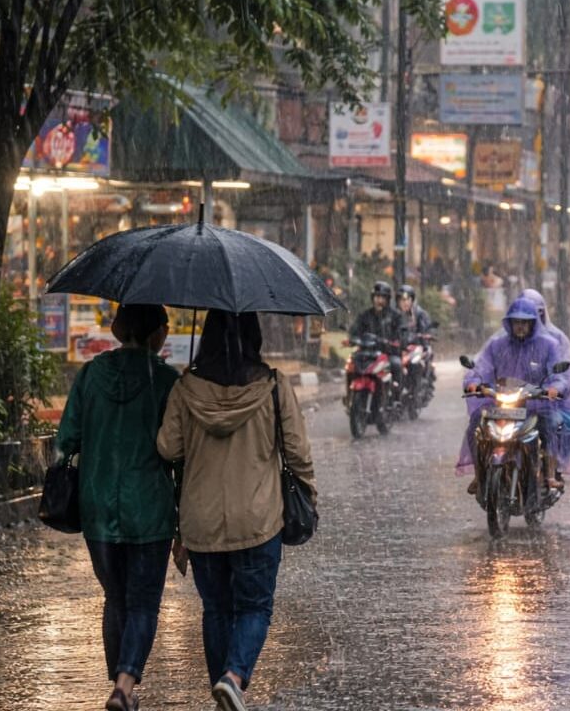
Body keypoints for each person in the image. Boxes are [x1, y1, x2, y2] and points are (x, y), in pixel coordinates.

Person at [156, 312, 316, 711]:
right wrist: (309, 495)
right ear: (255, 337)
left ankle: (224, 692)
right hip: (259, 520)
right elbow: (297, 451)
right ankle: (233, 677)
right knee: (255, 607)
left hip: (202, 520)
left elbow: (167, 447)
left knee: (216, 610)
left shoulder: (185, 387)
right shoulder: (274, 387)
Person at [56, 304, 179, 711]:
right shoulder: (166, 381)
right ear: (158, 334)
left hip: (97, 506)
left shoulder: (91, 374)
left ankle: (120, 684)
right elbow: (178, 451)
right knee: (143, 601)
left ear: (116, 328)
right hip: (150, 510)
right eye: (165, 326)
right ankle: (125, 686)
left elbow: (68, 438)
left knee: (116, 598)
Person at [459, 297, 570, 493]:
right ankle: (479, 474)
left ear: (533, 323)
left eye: (524, 322)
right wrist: (473, 383)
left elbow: (558, 375)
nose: (520, 327)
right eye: (516, 322)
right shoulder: (496, 345)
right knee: (476, 424)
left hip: (536, 404)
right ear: (509, 323)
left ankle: (550, 474)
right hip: (501, 404)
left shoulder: (549, 345)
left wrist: (555, 388)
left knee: (552, 423)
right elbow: (480, 368)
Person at [519, 289, 570, 479]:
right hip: (514, 400)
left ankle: (550, 470)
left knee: (560, 425)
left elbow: (565, 372)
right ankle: (482, 474)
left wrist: (557, 388)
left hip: (546, 400)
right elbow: (487, 365)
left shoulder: (556, 339)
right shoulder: (505, 341)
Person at [348, 281, 404, 389]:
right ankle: (350, 394)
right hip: (367, 353)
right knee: (351, 364)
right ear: (372, 298)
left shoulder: (395, 316)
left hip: (387, 353)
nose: (379, 301)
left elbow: (401, 333)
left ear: (388, 300)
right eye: (377, 297)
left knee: (396, 364)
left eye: (383, 298)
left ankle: (394, 394)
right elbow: (355, 329)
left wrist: (394, 342)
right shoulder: (365, 315)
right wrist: (353, 338)